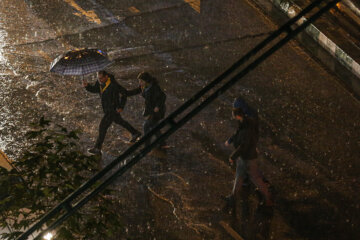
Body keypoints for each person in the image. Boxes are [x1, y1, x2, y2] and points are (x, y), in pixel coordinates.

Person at [224, 97, 273, 211]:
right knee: (239, 178)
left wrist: (233, 156)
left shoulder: (248, 124)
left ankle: (268, 198)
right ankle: (232, 198)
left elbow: (244, 144)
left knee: (255, 178)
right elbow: (239, 133)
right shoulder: (244, 121)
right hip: (244, 156)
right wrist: (231, 140)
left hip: (247, 156)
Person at [83, 70, 141, 154]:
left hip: (112, 110)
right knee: (120, 121)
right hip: (107, 109)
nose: (100, 80)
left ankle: (97, 148)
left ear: (107, 77)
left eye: (101, 78)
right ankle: (135, 132)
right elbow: (95, 89)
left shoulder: (114, 85)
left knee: (102, 127)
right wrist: (87, 86)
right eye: (99, 78)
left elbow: (125, 94)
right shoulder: (99, 83)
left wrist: (121, 106)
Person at [128, 72, 167, 148]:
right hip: (151, 111)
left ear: (146, 81)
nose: (140, 83)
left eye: (141, 81)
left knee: (146, 126)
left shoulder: (155, 88)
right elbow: (135, 91)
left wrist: (157, 106)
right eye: (139, 81)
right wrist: (125, 94)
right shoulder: (144, 87)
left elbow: (163, 97)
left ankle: (147, 145)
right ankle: (162, 143)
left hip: (158, 111)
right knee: (154, 127)